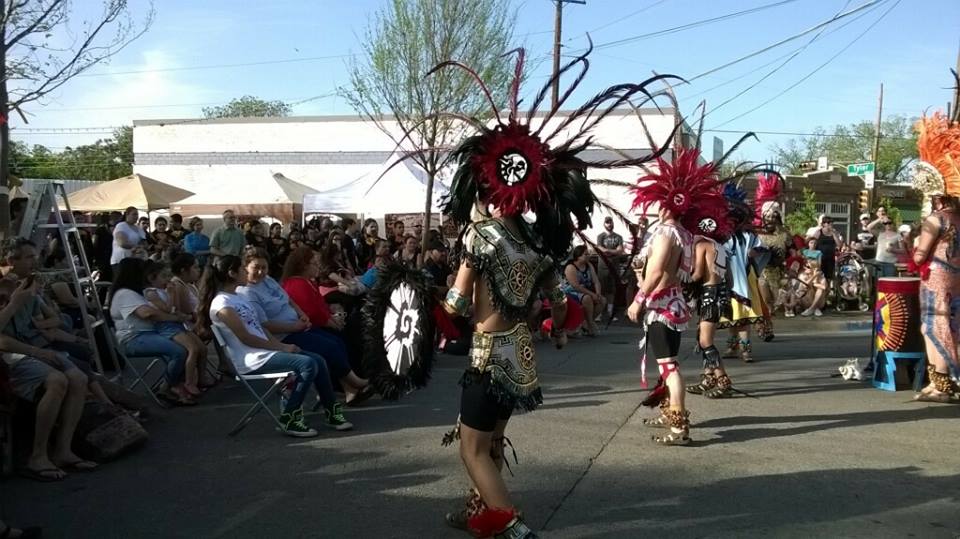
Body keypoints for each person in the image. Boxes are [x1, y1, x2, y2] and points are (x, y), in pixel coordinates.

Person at [411, 45, 666, 537]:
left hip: (487, 355)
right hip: (522, 354)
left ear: (486, 184)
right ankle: (477, 508)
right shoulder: (536, 240)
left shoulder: (480, 236)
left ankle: (512, 527)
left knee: (471, 447)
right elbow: (561, 302)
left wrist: (425, 308)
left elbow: (459, 305)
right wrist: (560, 328)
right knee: (495, 438)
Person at [629, 147, 730, 447]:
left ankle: (679, 428)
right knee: (667, 364)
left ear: (663, 205)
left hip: (661, 306)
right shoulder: (686, 235)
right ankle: (667, 412)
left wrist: (638, 298)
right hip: (675, 305)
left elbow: (658, 271)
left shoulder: (664, 234)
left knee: (669, 368)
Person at [198, 255, 353, 436]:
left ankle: (331, 412)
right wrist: (282, 348)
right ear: (231, 274)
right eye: (241, 268)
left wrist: (278, 344)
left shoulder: (238, 297)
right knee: (307, 364)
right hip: (250, 360)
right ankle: (290, 418)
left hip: (264, 351)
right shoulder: (222, 303)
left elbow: (259, 328)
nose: (244, 272)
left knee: (318, 360)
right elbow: (245, 338)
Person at [241, 248, 372, 404]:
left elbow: (288, 299)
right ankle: (354, 383)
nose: (261, 272)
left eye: (264, 267)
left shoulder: (268, 281)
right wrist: (296, 326)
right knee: (328, 347)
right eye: (256, 268)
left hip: (299, 326)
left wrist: (301, 313)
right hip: (283, 336)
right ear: (245, 268)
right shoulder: (248, 293)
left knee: (336, 341)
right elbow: (264, 325)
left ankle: (349, 389)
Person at [0, 278, 97, 481]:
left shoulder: (24, 292)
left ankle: (63, 450)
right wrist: (14, 303)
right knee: (57, 380)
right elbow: (4, 341)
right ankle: (38, 456)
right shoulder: (15, 298)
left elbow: (51, 322)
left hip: (34, 349)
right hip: (12, 357)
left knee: (78, 378)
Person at [909, 93, 960, 402]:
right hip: (957, 276)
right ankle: (941, 381)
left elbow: (919, 255)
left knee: (932, 326)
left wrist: (912, 246)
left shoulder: (934, 219)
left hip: (936, 278)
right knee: (952, 325)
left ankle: (941, 385)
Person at [109, 258, 193, 405]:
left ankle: (180, 385)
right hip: (134, 338)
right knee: (179, 351)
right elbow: (147, 313)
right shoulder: (125, 294)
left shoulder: (135, 292)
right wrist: (174, 318)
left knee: (189, 346)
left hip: (148, 334)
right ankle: (167, 387)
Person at [684, 195, 736, 399]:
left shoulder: (702, 245)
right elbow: (730, 279)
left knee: (705, 341)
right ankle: (708, 378)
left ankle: (724, 380)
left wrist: (682, 279)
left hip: (709, 294)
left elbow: (697, 274)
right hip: (721, 294)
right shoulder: (721, 247)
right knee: (703, 337)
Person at [143, 260, 207, 397]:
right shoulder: (151, 293)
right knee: (192, 349)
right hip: (165, 326)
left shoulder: (164, 291)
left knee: (201, 348)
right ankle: (188, 382)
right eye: (163, 276)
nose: (167, 279)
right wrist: (171, 294)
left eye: (167, 276)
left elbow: (174, 308)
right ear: (152, 278)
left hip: (176, 323)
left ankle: (201, 378)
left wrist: (174, 298)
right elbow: (167, 309)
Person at [718, 184, 767, 363]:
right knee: (732, 314)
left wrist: (753, 253)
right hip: (727, 278)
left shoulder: (748, 235)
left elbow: (760, 248)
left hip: (745, 277)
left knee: (744, 315)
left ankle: (745, 350)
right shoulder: (722, 235)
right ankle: (732, 346)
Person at [752, 172, 788, 341]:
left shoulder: (785, 234)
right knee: (764, 301)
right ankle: (764, 327)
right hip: (761, 272)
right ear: (763, 216)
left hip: (778, 272)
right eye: (769, 215)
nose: (772, 218)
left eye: (775, 215)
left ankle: (766, 324)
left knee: (773, 304)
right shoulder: (755, 233)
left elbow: (795, 253)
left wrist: (794, 264)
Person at [561, 245, 605, 336]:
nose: (588, 256)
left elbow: (596, 281)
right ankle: (590, 324)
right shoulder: (571, 267)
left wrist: (598, 293)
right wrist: (592, 294)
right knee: (587, 298)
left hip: (583, 291)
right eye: (585, 254)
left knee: (602, 300)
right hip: (570, 292)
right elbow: (575, 286)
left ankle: (586, 322)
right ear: (578, 256)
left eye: (588, 254)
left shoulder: (589, 266)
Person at [595, 216, 626, 318]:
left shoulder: (618, 237)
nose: (609, 224)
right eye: (607, 222)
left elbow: (620, 250)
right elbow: (601, 249)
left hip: (614, 267)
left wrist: (609, 251)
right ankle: (599, 312)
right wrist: (613, 251)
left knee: (612, 290)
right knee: (602, 289)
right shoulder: (600, 236)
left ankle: (610, 311)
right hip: (603, 267)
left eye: (610, 222)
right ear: (604, 224)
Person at [810, 217, 843, 291]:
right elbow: (813, 242)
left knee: (828, 278)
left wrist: (834, 234)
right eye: (829, 223)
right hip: (820, 259)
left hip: (830, 258)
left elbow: (839, 244)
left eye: (831, 223)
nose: (831, 225)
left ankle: (826, 296)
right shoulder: (819, 232)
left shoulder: (834, 233)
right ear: (824, 224)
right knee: (819, 276)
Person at [110, 206, 146, 274]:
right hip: (120, 260)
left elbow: (144, 243)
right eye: (134, 214)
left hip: (135, 260)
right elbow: (122, 243)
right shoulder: (121, 226)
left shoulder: (139, 229)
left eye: (137, 214)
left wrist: (141, 247)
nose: (136, 216)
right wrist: (136, 247)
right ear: (127, 215)